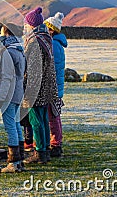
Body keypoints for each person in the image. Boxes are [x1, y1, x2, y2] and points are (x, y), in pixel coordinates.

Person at [22, 7, 59, 165]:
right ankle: (45, 150)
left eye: (26, 25)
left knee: (36, 120)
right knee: (43, 119)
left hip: (36, 87)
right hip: (47, 86)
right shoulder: (46, 38)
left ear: (31, 25)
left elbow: (31, 68)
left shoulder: (34, 41)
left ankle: (40, 152)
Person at [0, 23, 26, 173]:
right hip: (18, 92)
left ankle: (13, 161)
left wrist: (0, 98)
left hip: (9, 94)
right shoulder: (19, 50)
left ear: (6, 33)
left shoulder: (7, 53)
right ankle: (20, 160)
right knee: (16, 124)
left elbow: (5, 78)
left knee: (10, 126)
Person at [44, 12, 67, 157]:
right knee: (54, 115)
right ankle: (56, 142)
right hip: (56, 86)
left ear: (51, 30)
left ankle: (56, 143)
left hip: (53, 87)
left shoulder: (53, 45)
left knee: (53, 116)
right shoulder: (58, 44)